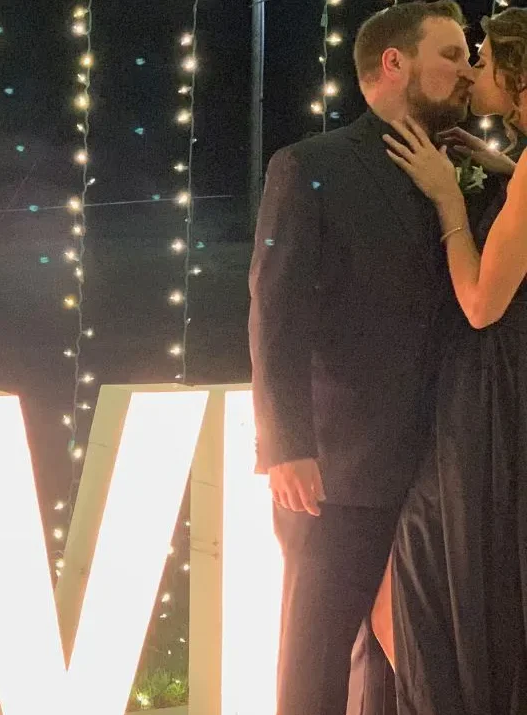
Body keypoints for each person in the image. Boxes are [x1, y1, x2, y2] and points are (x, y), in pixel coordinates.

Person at [248, 2, 473, 713]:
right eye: (451, 55)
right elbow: (275, 312)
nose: (466, 72)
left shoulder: (460, 173)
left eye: (469, 58)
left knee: (420, 667)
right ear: (393, 63)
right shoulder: (310, 166)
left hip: (442, 473)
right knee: (315, 659)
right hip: (339, 474)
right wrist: (286, 445)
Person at [369, 8, 527, 714]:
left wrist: (446, 200)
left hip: (491, 397)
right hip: (500, 388)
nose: (471, 70)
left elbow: (480, 301)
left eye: (484, 57)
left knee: (437, 562)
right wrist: (498, 169)